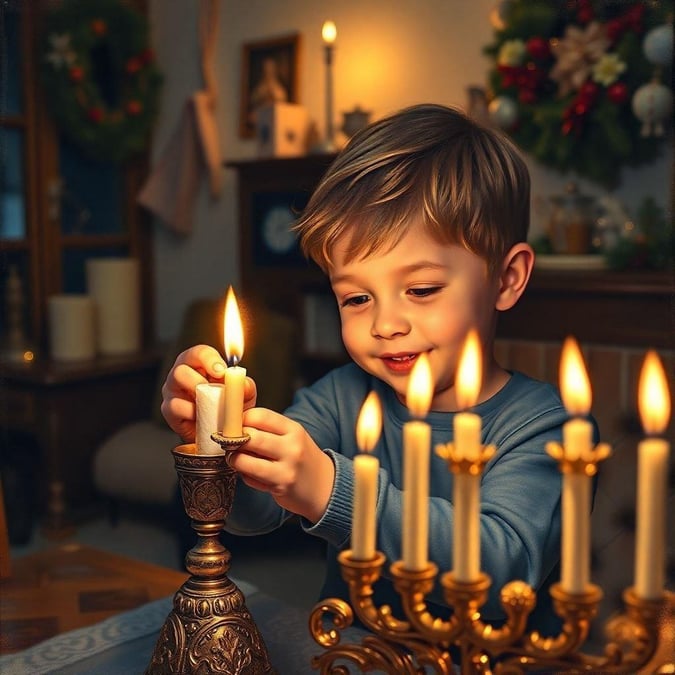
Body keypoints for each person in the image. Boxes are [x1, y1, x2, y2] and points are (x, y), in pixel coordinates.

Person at [161, 103, 596, 636]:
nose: (386, 323)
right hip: (350, 658)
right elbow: (250, 516)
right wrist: (215, 438)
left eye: (421, 289)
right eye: (357, 297)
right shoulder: (341, 396)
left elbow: (500, 570)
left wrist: (333, 490)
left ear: (506, 279)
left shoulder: (546, 426)